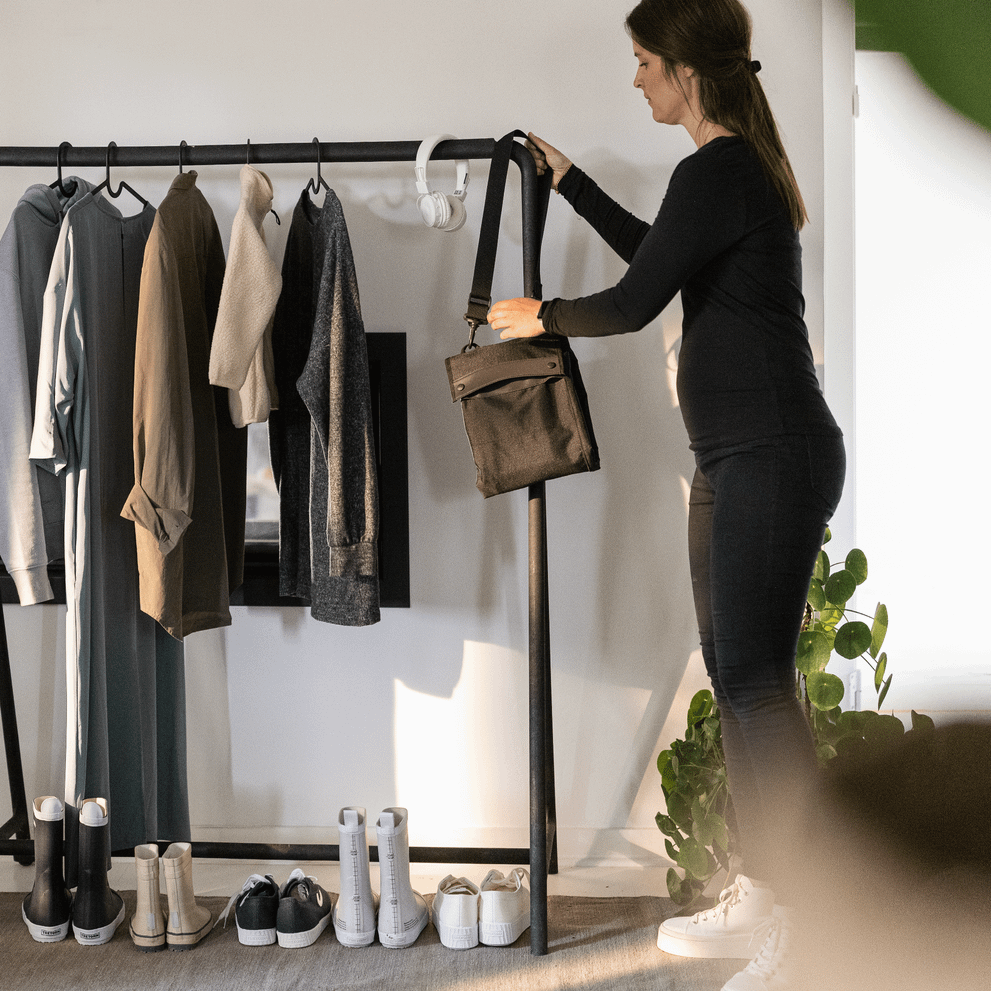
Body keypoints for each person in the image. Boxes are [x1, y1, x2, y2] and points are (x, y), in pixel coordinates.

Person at [488, 2, 845, 989]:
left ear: (684, 68)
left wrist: (539, 315)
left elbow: (632, 299)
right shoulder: (723, 177)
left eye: (643, 62)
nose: (634, 79)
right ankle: (775, 891)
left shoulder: (722, 169)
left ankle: (811, 915)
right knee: (742, 681)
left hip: (770, 455)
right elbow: (660, 254)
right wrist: (573, 187)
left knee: (758, 688)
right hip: (736, 459)